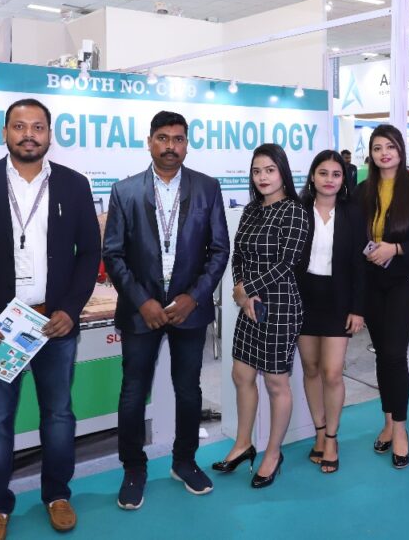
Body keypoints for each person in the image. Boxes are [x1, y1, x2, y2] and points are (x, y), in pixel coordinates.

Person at [0, 98, 99, 540]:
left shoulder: (74, 184)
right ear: (5, 132)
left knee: (59, 415)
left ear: (50, 134)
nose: (28, 134)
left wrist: (71, 309)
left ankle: (58, 495)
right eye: (19, 126)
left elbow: (90, 253)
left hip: (54, 324)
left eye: (37, 127)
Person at [103, 111, 230, 510]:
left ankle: (184, 461)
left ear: (187, 144)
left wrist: (194, 296)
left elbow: (219, 250)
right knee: (132, 393)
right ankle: (133, 469)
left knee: (189, 390)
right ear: (150, 142)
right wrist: (143, 301)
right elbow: (113, 253)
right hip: (141, 310)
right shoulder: (125, 191)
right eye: (163, 138)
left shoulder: (207, 188)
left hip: (189, 310)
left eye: (178, 139)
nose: (170, 146)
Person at [214, 144, 309, 488]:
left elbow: (287, 262)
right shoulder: (252, 209)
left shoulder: (295, 211)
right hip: (249, 304)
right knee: (241, 374)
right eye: (257, 171)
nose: (263, 177)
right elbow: (237, 253)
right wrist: (243, 291)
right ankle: (243, 444)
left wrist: (247, 290)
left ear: (283, 172)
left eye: (270, 170)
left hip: (280, 305)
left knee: (275, 382)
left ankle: (273, 452)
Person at [358, 125, 409, 469]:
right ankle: (388, 421)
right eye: (377, 148)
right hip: (371, 282)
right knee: (383, 354)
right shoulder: (362, 191)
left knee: (395, 353)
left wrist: (396, 248)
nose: (384, 153)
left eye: (390, 147)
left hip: (404, 280)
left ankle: (401, 428)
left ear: (400, 150)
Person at [295, 151, 365, 473]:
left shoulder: (353, 212)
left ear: (344, 178)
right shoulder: (298, 210)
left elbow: (360, 265)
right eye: (323, 173)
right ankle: (320, 432)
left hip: (339, 301)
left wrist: (358, 308)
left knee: (333, 372)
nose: (329, 180)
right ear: (313, 176)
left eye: (336, 174)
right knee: (310, 369)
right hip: (304, 298)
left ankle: (333, 438)